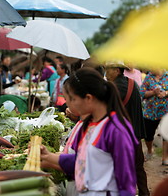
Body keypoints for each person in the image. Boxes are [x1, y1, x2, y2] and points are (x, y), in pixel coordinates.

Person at [40, 67, 138, 195]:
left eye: (73, 99)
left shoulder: (116, 130)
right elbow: (84, 162)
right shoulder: (89, 125)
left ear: (88, 98)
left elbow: (126, 184)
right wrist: (50, 157)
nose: (69, 104)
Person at [105, 61, 149, 196]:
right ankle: (144, 193)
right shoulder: (131, 83)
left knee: (122, 168)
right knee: (138, 167)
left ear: (117, 70)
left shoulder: (115, 87)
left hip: (122, 134)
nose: (106, 73)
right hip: (134, 132)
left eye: (108, 69)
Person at [140, 69, 168, 165]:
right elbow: (142, 92)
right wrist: (153, 92)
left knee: (166, 135)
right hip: (150, 112)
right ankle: (149, 150)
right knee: (148, 134)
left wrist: (166, 93)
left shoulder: (167, 76)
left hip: (165, 111)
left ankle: (165, 158)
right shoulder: (148, 77)